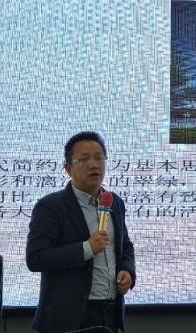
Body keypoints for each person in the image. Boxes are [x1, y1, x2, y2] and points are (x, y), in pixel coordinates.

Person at [26, 131, 136, 333]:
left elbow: (125, 246)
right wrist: (87, 248)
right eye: (84, 159)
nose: (94, 165)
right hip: (69, 318)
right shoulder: (50, 206)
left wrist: (127, 270)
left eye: (99, 158)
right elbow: (36, 258)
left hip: (110, 312)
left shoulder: (114, 202)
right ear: (68, 168)